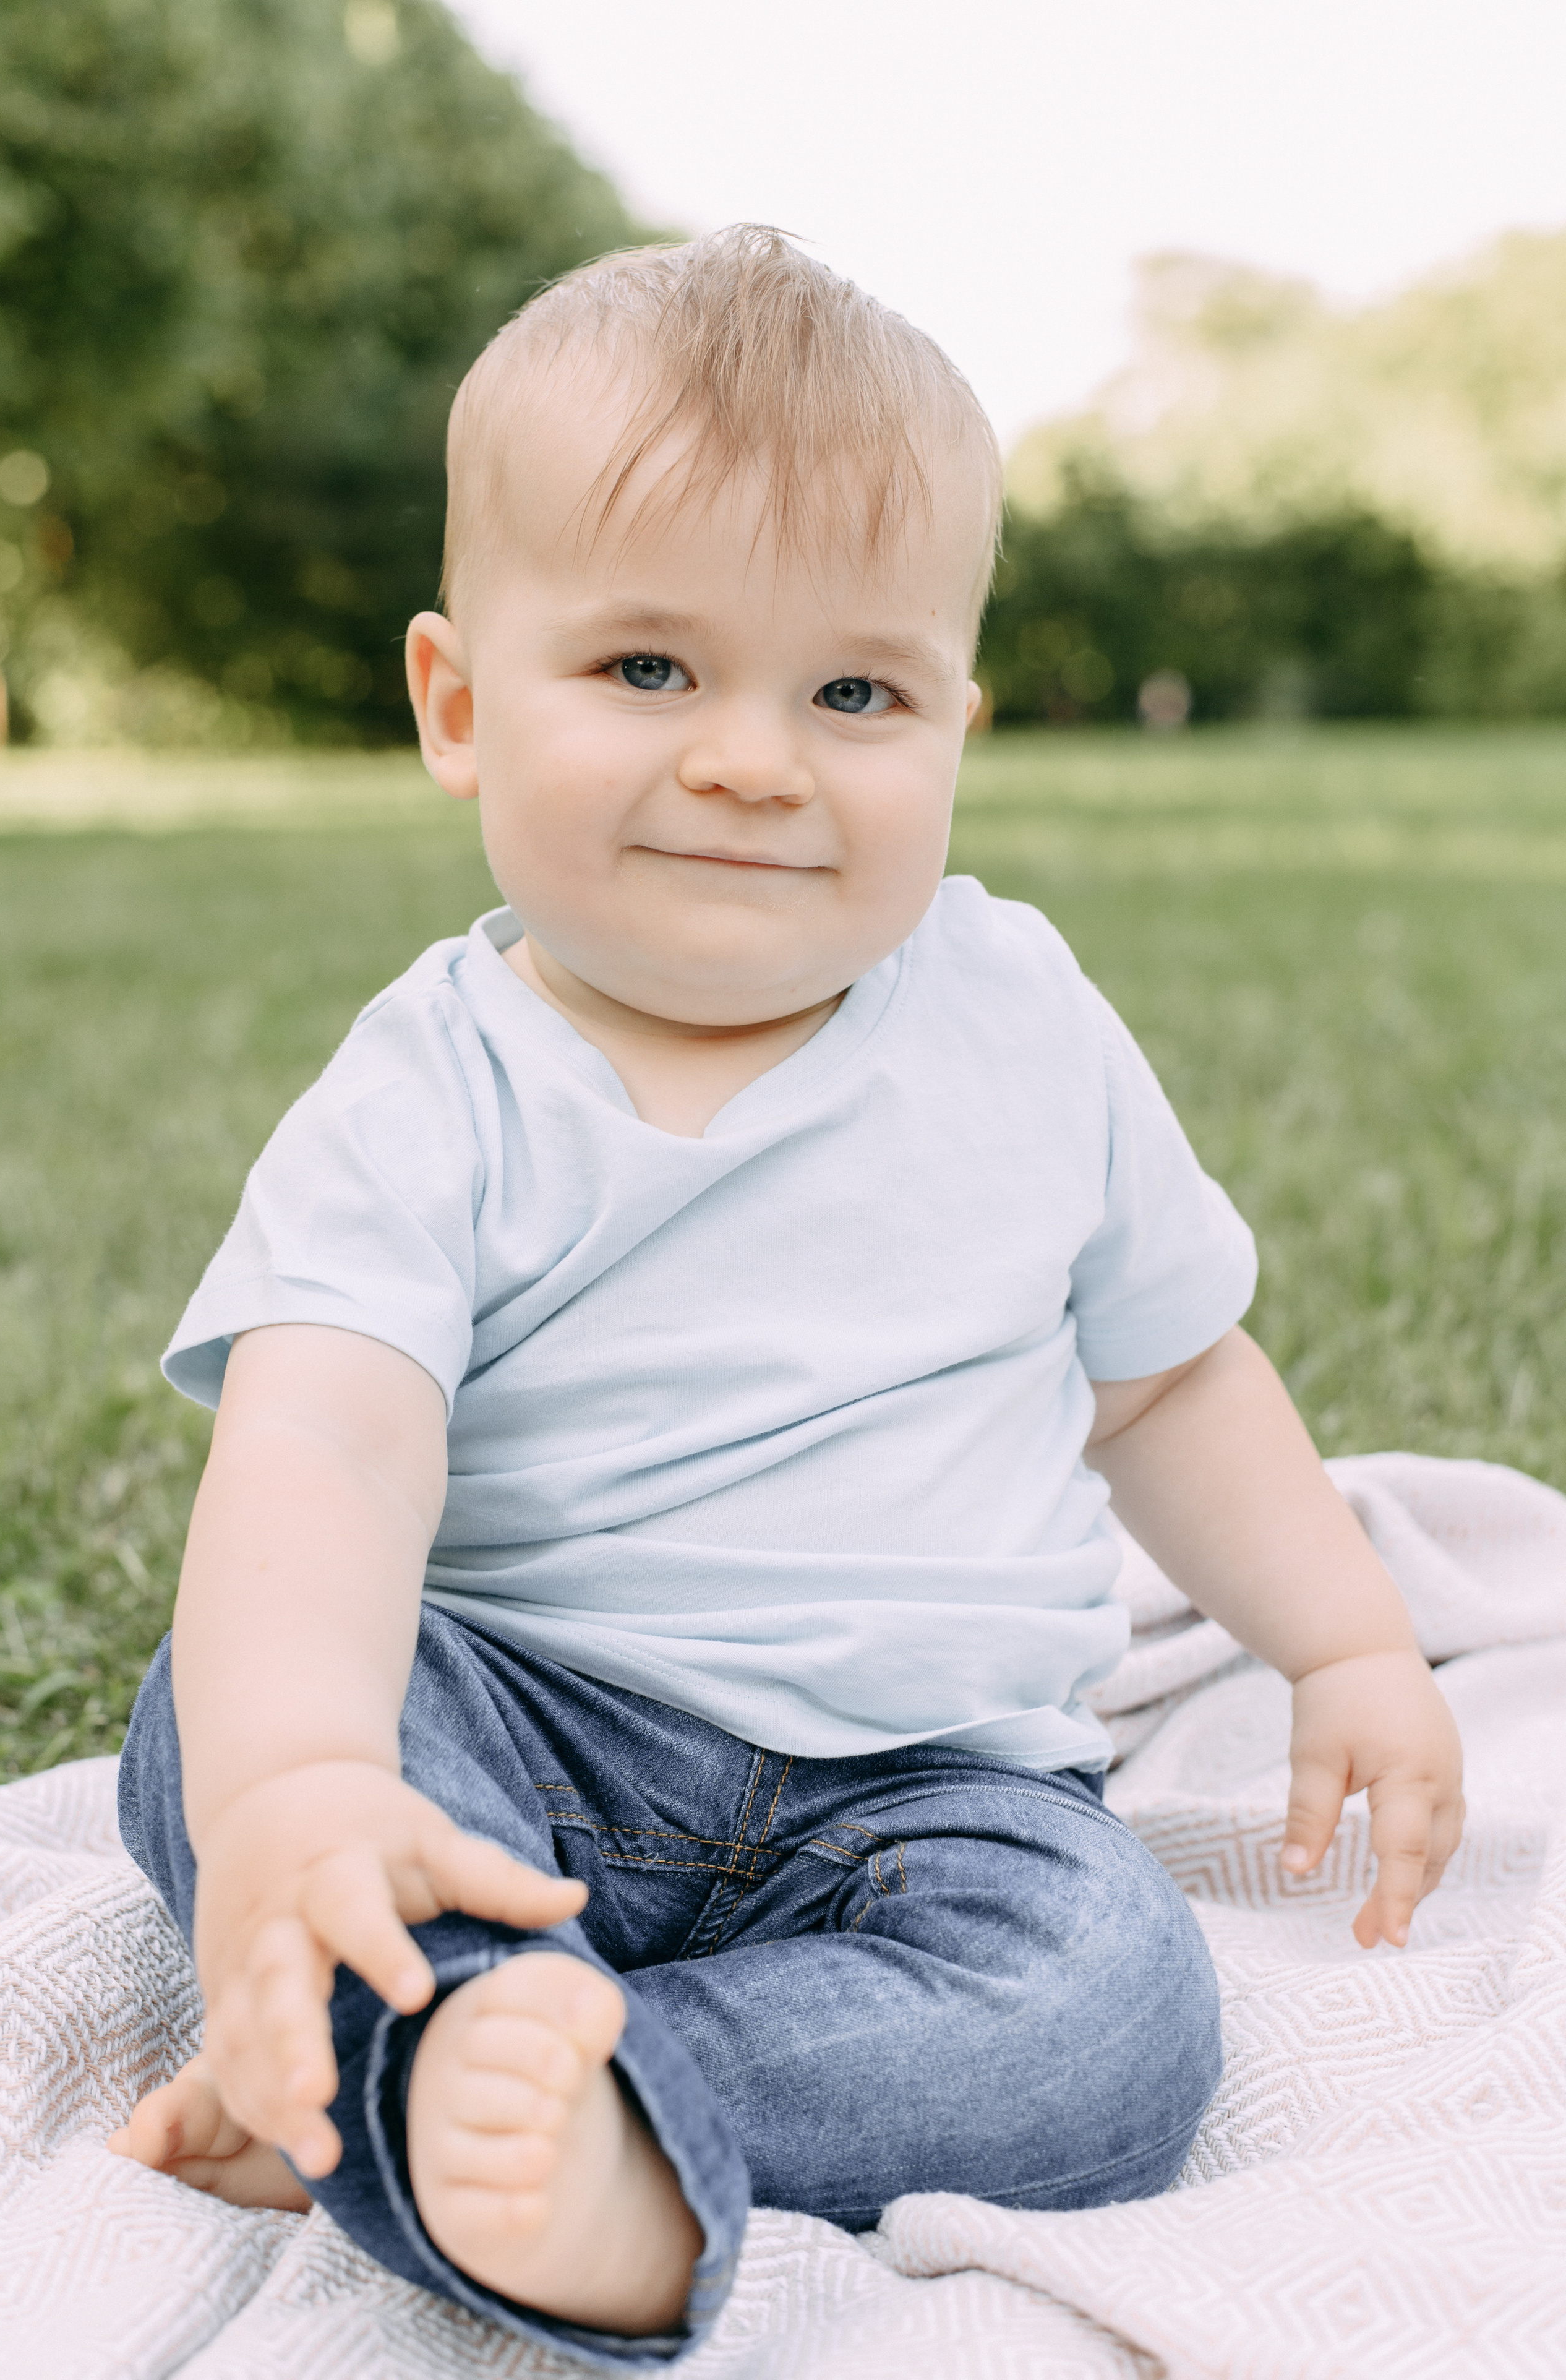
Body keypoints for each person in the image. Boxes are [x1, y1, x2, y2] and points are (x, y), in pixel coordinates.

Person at [108, 227, 1465, 2366]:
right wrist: (298, 1787)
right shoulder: (440, 1088)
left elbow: (1173, 1382)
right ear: (459, 707)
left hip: (927, 1800)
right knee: (230, 1713)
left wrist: (1350, 1638)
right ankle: (393, 2019)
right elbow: (329, 1446)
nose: (758, 758)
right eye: (650, 671)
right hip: (531, 1729)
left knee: (1110, 2012)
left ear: (956, 726)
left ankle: (549, 2107)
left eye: (854, 692)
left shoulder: (1021, 1018)